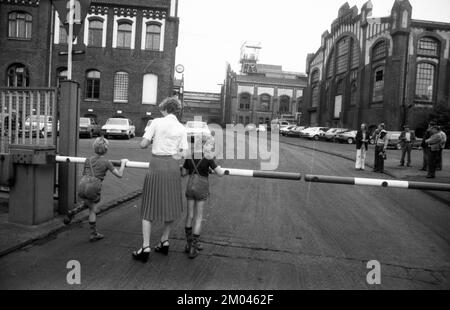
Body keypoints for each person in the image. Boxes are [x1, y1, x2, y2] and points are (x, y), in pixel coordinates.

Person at [132, 97, 188, 263]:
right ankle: (164, 240)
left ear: (165, 109)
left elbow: (143, 144)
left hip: (156, 165)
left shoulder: (156, 122)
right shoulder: (181, 127)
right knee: (170, 205)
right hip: (172, 167)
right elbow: (184, 153)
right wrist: (173, 157)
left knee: (149, 206)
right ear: (176, 110)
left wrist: (150, 141)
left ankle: (146, 246)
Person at [181, 134, 225, 259]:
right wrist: (218, 168)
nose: (212, 147)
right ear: (205, 145)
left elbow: (184, 173)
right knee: (198, 218)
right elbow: (220, 173)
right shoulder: (208, 157)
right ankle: (194, 248)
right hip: (201, 187)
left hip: (190, 187)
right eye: (211, 144)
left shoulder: (190, 155)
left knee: (189, 215)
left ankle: (188, 244)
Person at [79, 137, 128, 242]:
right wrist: (123, 163)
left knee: (88, 203)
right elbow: (119, 175)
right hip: (93, 188)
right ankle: (93, 234)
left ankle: (73, 212)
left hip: (82, 185)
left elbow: (84, 173)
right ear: (106, 150)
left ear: (94, 148)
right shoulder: (106, 162)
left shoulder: (88, 160)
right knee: (92, 210)